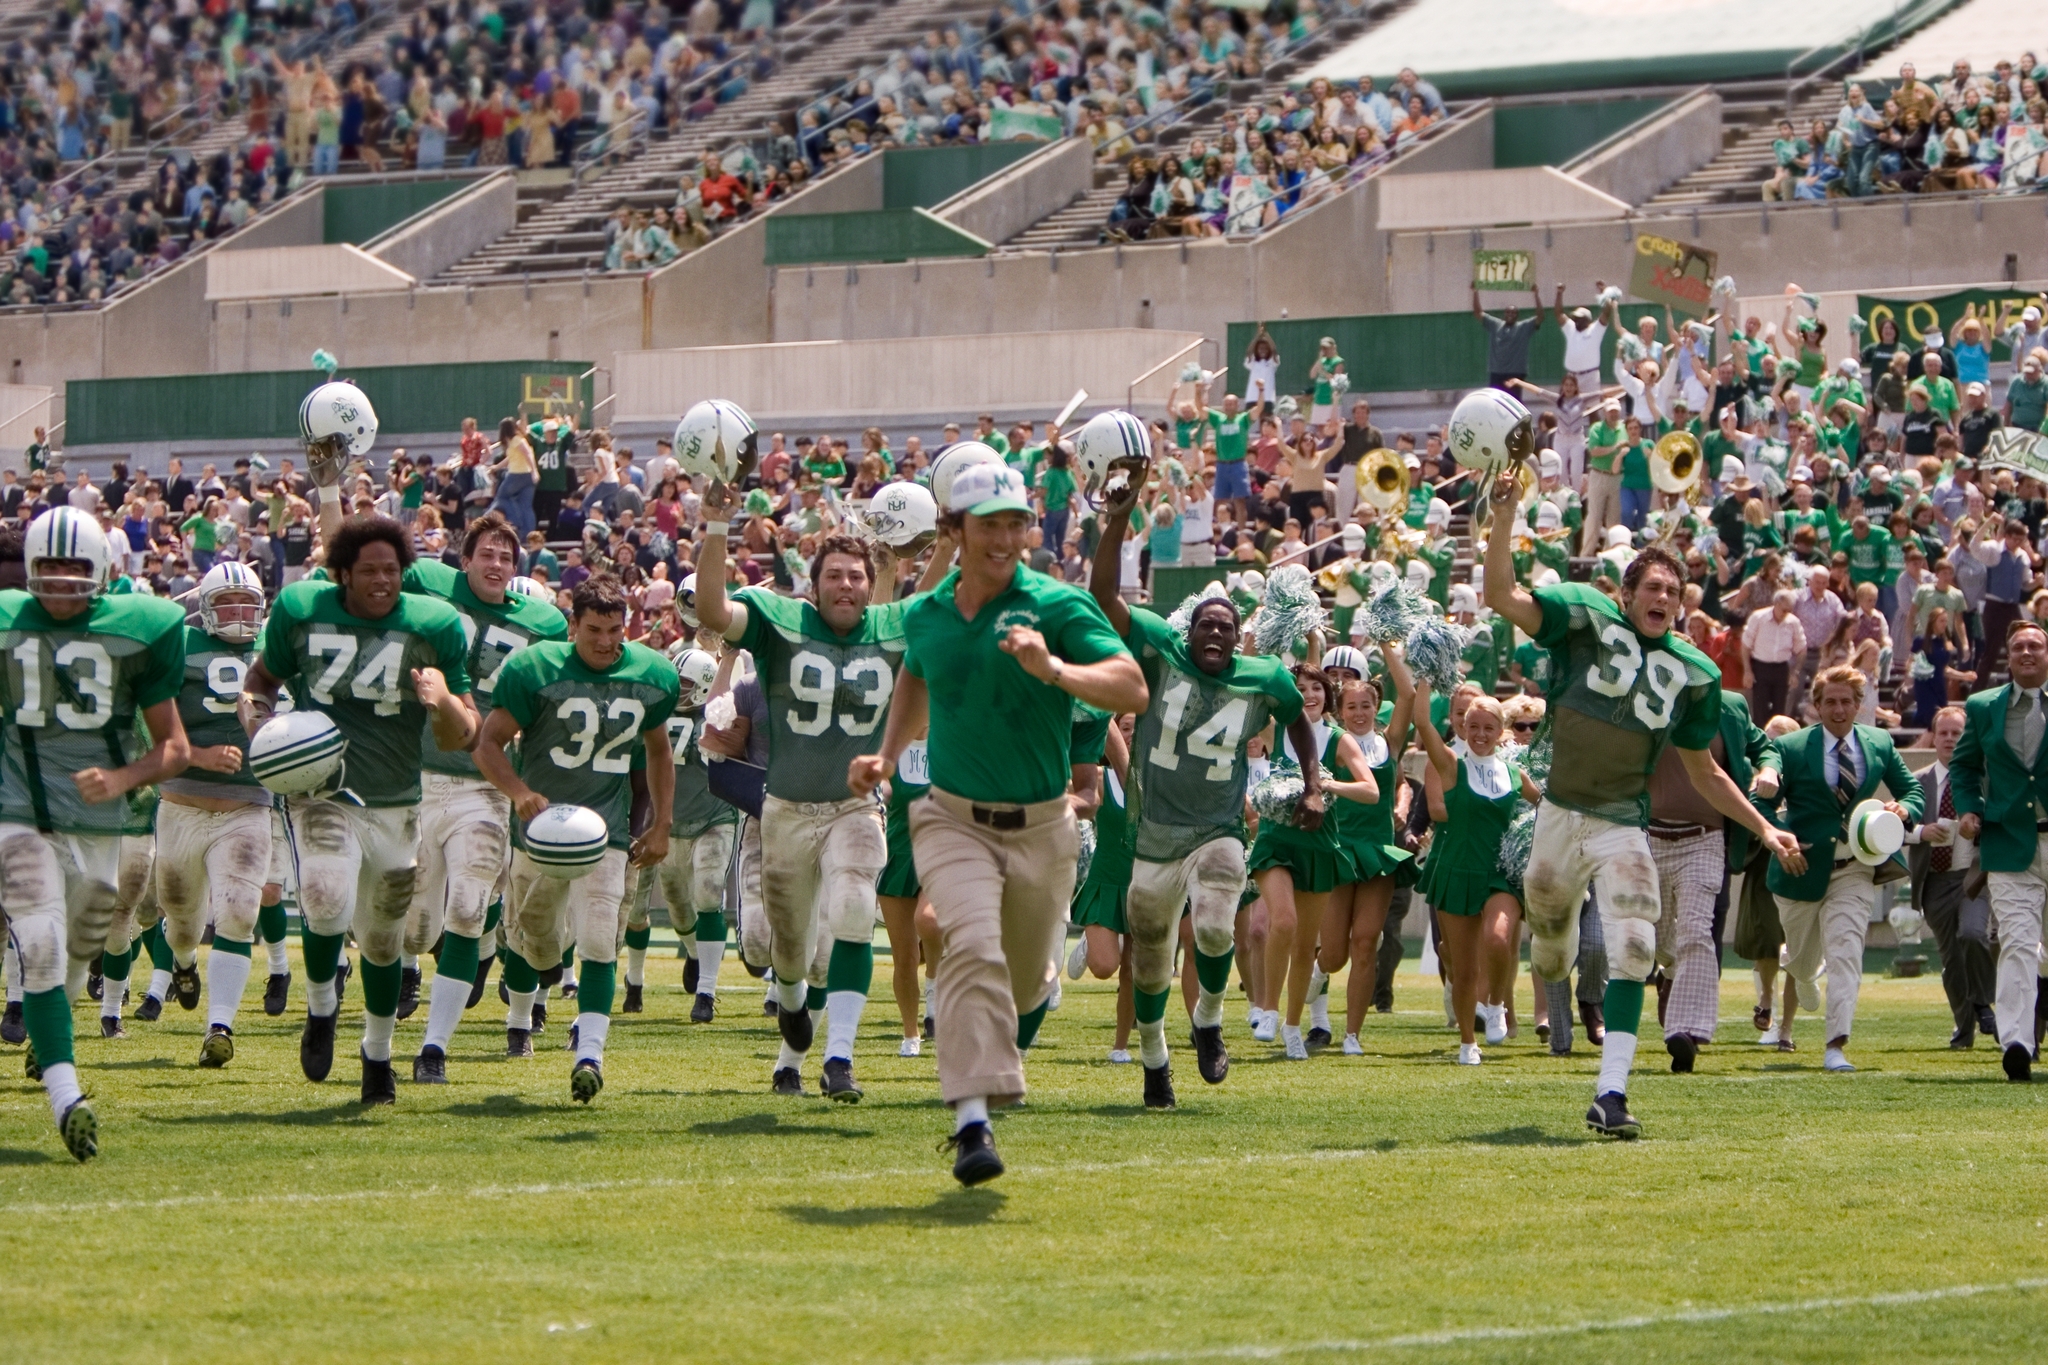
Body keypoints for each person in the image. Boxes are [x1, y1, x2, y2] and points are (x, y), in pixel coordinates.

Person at [848, 460, 1146, 1186]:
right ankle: (972, 1120)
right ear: (954, 529)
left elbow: (1131, 683)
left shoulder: (1058, 606)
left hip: (1044, 822)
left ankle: (1039, 987)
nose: (1007, 537)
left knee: (1017, 981)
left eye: (1017, 522)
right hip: (952, 817)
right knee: (965, 944)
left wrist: (1055, 672)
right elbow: (919, 671)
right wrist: (887, 754)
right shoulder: (928, 613)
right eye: (991, 524)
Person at [1483, 473, 1801, 1139]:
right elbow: (1500, 594)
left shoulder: (1695, 671)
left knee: (1632, 943)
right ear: (1624, 595)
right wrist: (1506, 516)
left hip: (1623, 822)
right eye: (1648, 587)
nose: (1660, 596)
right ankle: (1552, 956)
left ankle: (1613, 1091)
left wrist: (1766, 829)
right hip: (1559, 811)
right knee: (1547, 942)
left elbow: (1705, 771)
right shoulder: (1584, 615)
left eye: (1670, 590)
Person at [240, 516, 478, 1105]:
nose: (381, 580)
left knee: (382, 941)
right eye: (368, 569)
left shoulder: (433, 625)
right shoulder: (302, 610)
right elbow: (259, 684)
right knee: (324, 895)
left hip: (396, 802)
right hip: (323, 790)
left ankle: (377, 1054)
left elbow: (465, 734)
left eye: (391, 570)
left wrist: (441, 699)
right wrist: (259, 727)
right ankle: (321, 1008)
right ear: (342, 573)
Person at [1090, 494, 1320, 1101]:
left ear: (1238, 637)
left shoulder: (1263, 675)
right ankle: (1154, 1061)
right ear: (1188, 631)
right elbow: (1105, 599)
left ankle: (1211, 1022)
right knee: (1148, 959)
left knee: (1217, 925)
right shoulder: (1159, 650)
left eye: (1226, 626)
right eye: (1206, 625)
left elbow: (1298, 719)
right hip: (1153, 832)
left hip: (1217, 827)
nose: (1216, 633)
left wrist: (1315, 782)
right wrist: (1116, 522)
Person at [696, 485, 910, 1102]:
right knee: (789, 957)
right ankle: (792, 1026)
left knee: (851, 909)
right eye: (834, 575)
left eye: (857, 576)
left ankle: (838, 1056)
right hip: (785, 811)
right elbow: (712, 610)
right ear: (813, 587)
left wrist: (941, 542)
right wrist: (716, 524)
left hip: (854, 806)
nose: (846, 585)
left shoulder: (892, 626)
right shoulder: (781, 622)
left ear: (872, 586)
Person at [0, 508, 191, 1161]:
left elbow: (174, 748)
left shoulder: (141, 629)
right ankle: (67, 1096)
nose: (59, 580)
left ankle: (51, 1041)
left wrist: (122, 777)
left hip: (97, 822)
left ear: (102, 572)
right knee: (42, 941)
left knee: (82, 936)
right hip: (18, 811)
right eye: (48, 567)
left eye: (73, 567)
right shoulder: (7, 623)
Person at [472, 574, 677, 1103]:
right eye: (593, 631)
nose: (606, 642)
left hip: (604, 831)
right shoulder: (533, 668)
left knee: (597, 938)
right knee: (535, 942)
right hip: (540, 830)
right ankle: (520, 1018)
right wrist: (518, 792)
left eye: (615, 630)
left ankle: (591, 1053)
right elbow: (487, 743)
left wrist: (661, 822)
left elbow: (658, 751)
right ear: (572, 626)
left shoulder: (651, 673)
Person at [396, 512, 568, 1083]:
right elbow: (358, 566)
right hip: (415, 774)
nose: (496, 565)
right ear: (462, 560)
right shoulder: (427, 584)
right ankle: (402, 972)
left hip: (486, 786)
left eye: (506, 557)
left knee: (469, 909)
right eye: (485, 555)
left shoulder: (543, 624)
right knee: (412, 925)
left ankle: (433, 1049)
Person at [153, 563, 296, 1068]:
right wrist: (199, 755)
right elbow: (153, 725)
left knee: (238, 914)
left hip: (247, 806)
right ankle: (184, 963)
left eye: (247, 604)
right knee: (183, 922)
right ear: (205, 608)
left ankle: (221, 1026)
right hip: (182, 806)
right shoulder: (180, 645)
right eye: (227, 604)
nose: (239, 614)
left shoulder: (275, 651)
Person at [1761, 667, 1921, 1072]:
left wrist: (1906, 809)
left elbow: (1912, 789)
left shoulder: (1880, 742)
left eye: (1846, 701)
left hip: (1856, 868)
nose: (1838, 709)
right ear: (1816, 706)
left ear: (1859, 705)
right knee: (1799, 959)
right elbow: (1761, 803)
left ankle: (1836, 1046)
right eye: (1830, 701)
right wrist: (1782, 838)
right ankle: (1803, 972)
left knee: (1847, 952)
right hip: (1799, 868)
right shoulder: (1792, 747)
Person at [1650, 688, 1779, 1071]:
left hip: (1706, 839)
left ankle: (1686, 1031)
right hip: (1648, 837)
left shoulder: (1730, 706)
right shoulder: (1638, 697)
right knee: (1656, 941)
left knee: (1696, 931)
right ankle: (1669, 972)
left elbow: (1764, 747)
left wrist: (1768, 769)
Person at [1415, 681, 1536, 1065]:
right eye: (1474, 727)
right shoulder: (1452, 765)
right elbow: (1421, 719)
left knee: (1500, 940)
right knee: (1463, 969)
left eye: (1489, 728)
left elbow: (1548, 807)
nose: (1481, 735)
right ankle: (1468, 1041)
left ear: (1501, 733)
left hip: (1499, 873)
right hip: (1457, 870)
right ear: (1463, 729)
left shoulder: (1515, 774)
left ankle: (1497, 1003)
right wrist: (1425, 678)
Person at [1950, 619, 2048, 1082]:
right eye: (2018, 647)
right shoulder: (1984, 706)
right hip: (2009, 844)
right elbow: (1965, 766)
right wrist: (1968, 810)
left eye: (2035, 645)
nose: (2027, 652)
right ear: (2008, 656)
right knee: (2016, 943)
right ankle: (2017, 1043)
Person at [1906, 705, 1997, 1050]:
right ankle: (1965, 1028)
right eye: (1942, 732)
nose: (1948, 739)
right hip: (1934, 881)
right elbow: (1896, 829)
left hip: (1974, 877)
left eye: (1956, 733)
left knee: (1973, 935)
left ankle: (1983, 1005)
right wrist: (1920, 832)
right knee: (1951, 960)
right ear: (1934, 737)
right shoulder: (1918, 783)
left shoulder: (1984, 779)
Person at [1474, 285, 1544, 391]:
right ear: (1504, 314)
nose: (1510, 314)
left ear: (1517, 315)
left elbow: (1540, 317)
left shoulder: (1523, 327)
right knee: (1496, 401)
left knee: (1514, 401)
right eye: (1508, 312)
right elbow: (1478, 313)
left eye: (1513, 312)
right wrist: (1475, 291)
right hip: (1496, 371)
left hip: (1516, 373)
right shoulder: (1495, 324)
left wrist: (1536, 295)